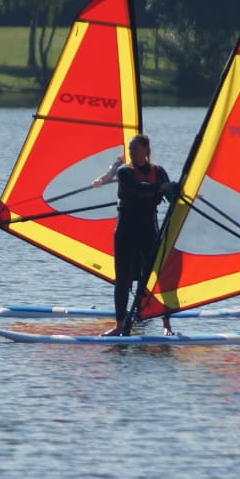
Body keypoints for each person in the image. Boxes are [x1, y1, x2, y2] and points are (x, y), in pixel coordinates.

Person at [93, 134, 175, 336]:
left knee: (159, 277)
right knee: (122, 279)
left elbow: (172, 196)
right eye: (130, 149)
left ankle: (167, 325)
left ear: (146, 150)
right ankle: (120, 325)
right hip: (126, 231)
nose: (131, 153)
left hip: (149, 230)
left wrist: (182, 192)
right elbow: (139, 190)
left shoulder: (159, 172)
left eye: (135, 149)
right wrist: (162, 187)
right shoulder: (124, 172)